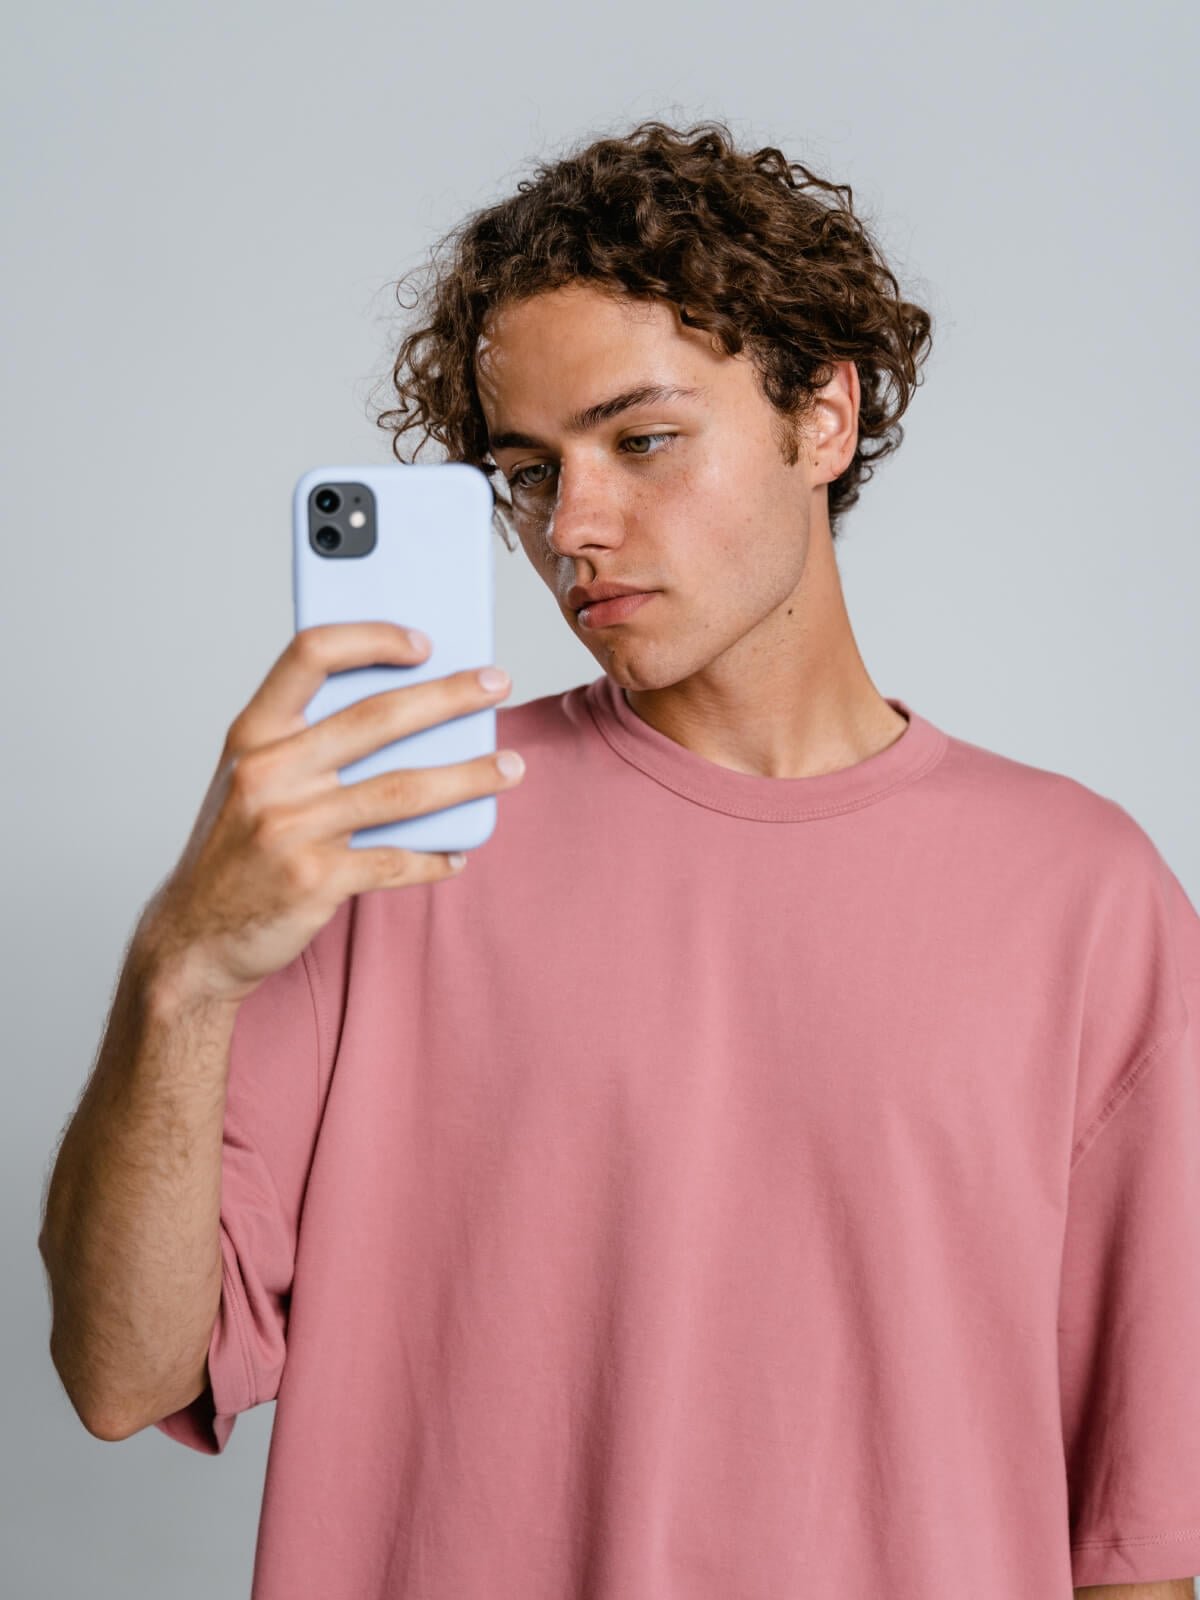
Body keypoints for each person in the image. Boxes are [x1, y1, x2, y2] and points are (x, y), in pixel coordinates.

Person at [38, 118, 1200, 1600]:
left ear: (823, 416)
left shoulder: (1085, 897)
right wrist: (183, 967)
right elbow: (123, 1373)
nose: (571, 528)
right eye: (527, 471)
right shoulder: (397, 838)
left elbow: (1138, 1534)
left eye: (640, 440)